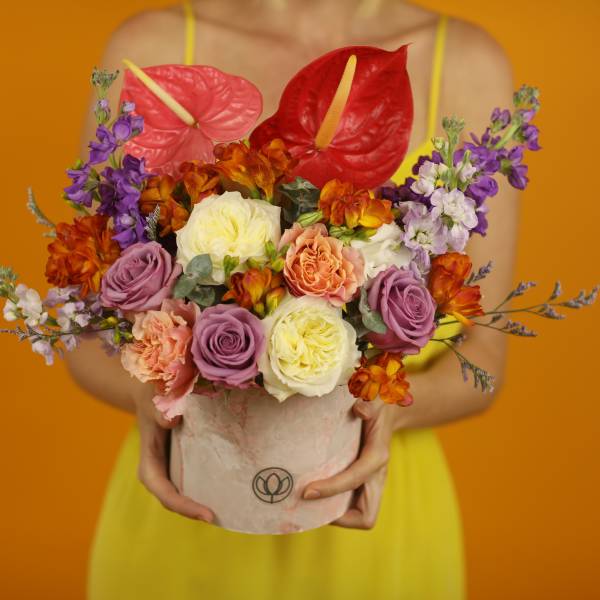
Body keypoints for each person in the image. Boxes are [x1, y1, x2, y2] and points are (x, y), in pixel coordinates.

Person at [67, 1, 517, 598]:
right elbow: (81, 327)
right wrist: (150, 398)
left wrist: (389, 411)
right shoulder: (152, 45)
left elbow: (485, 356)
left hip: (372, 516)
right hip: (186, 503)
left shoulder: (467, 62)